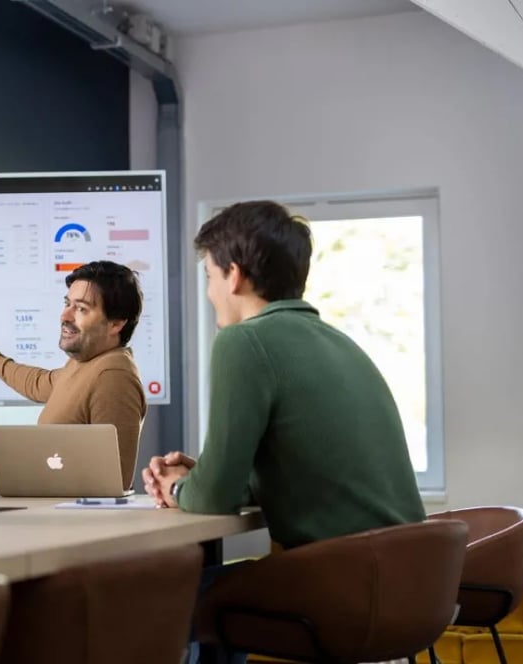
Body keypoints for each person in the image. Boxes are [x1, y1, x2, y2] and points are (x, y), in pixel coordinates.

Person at [139, 201, 426, 663]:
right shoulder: (340, 343)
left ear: (234, 275)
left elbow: (212, 500)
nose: (211, 292)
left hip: (345, 592)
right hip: (413, 590)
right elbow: (307, 466)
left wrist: (182, 486)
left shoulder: (243, 340)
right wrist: (208, 473)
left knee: (153, 600)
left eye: (210, 277)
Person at [0, 260, 146, 490]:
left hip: (79, 522)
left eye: (81, 308)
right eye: (67, 304)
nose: (65, 316)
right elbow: (36, 382)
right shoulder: (84, 365)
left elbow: (115, 482)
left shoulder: (113, 376)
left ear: (116, 324)